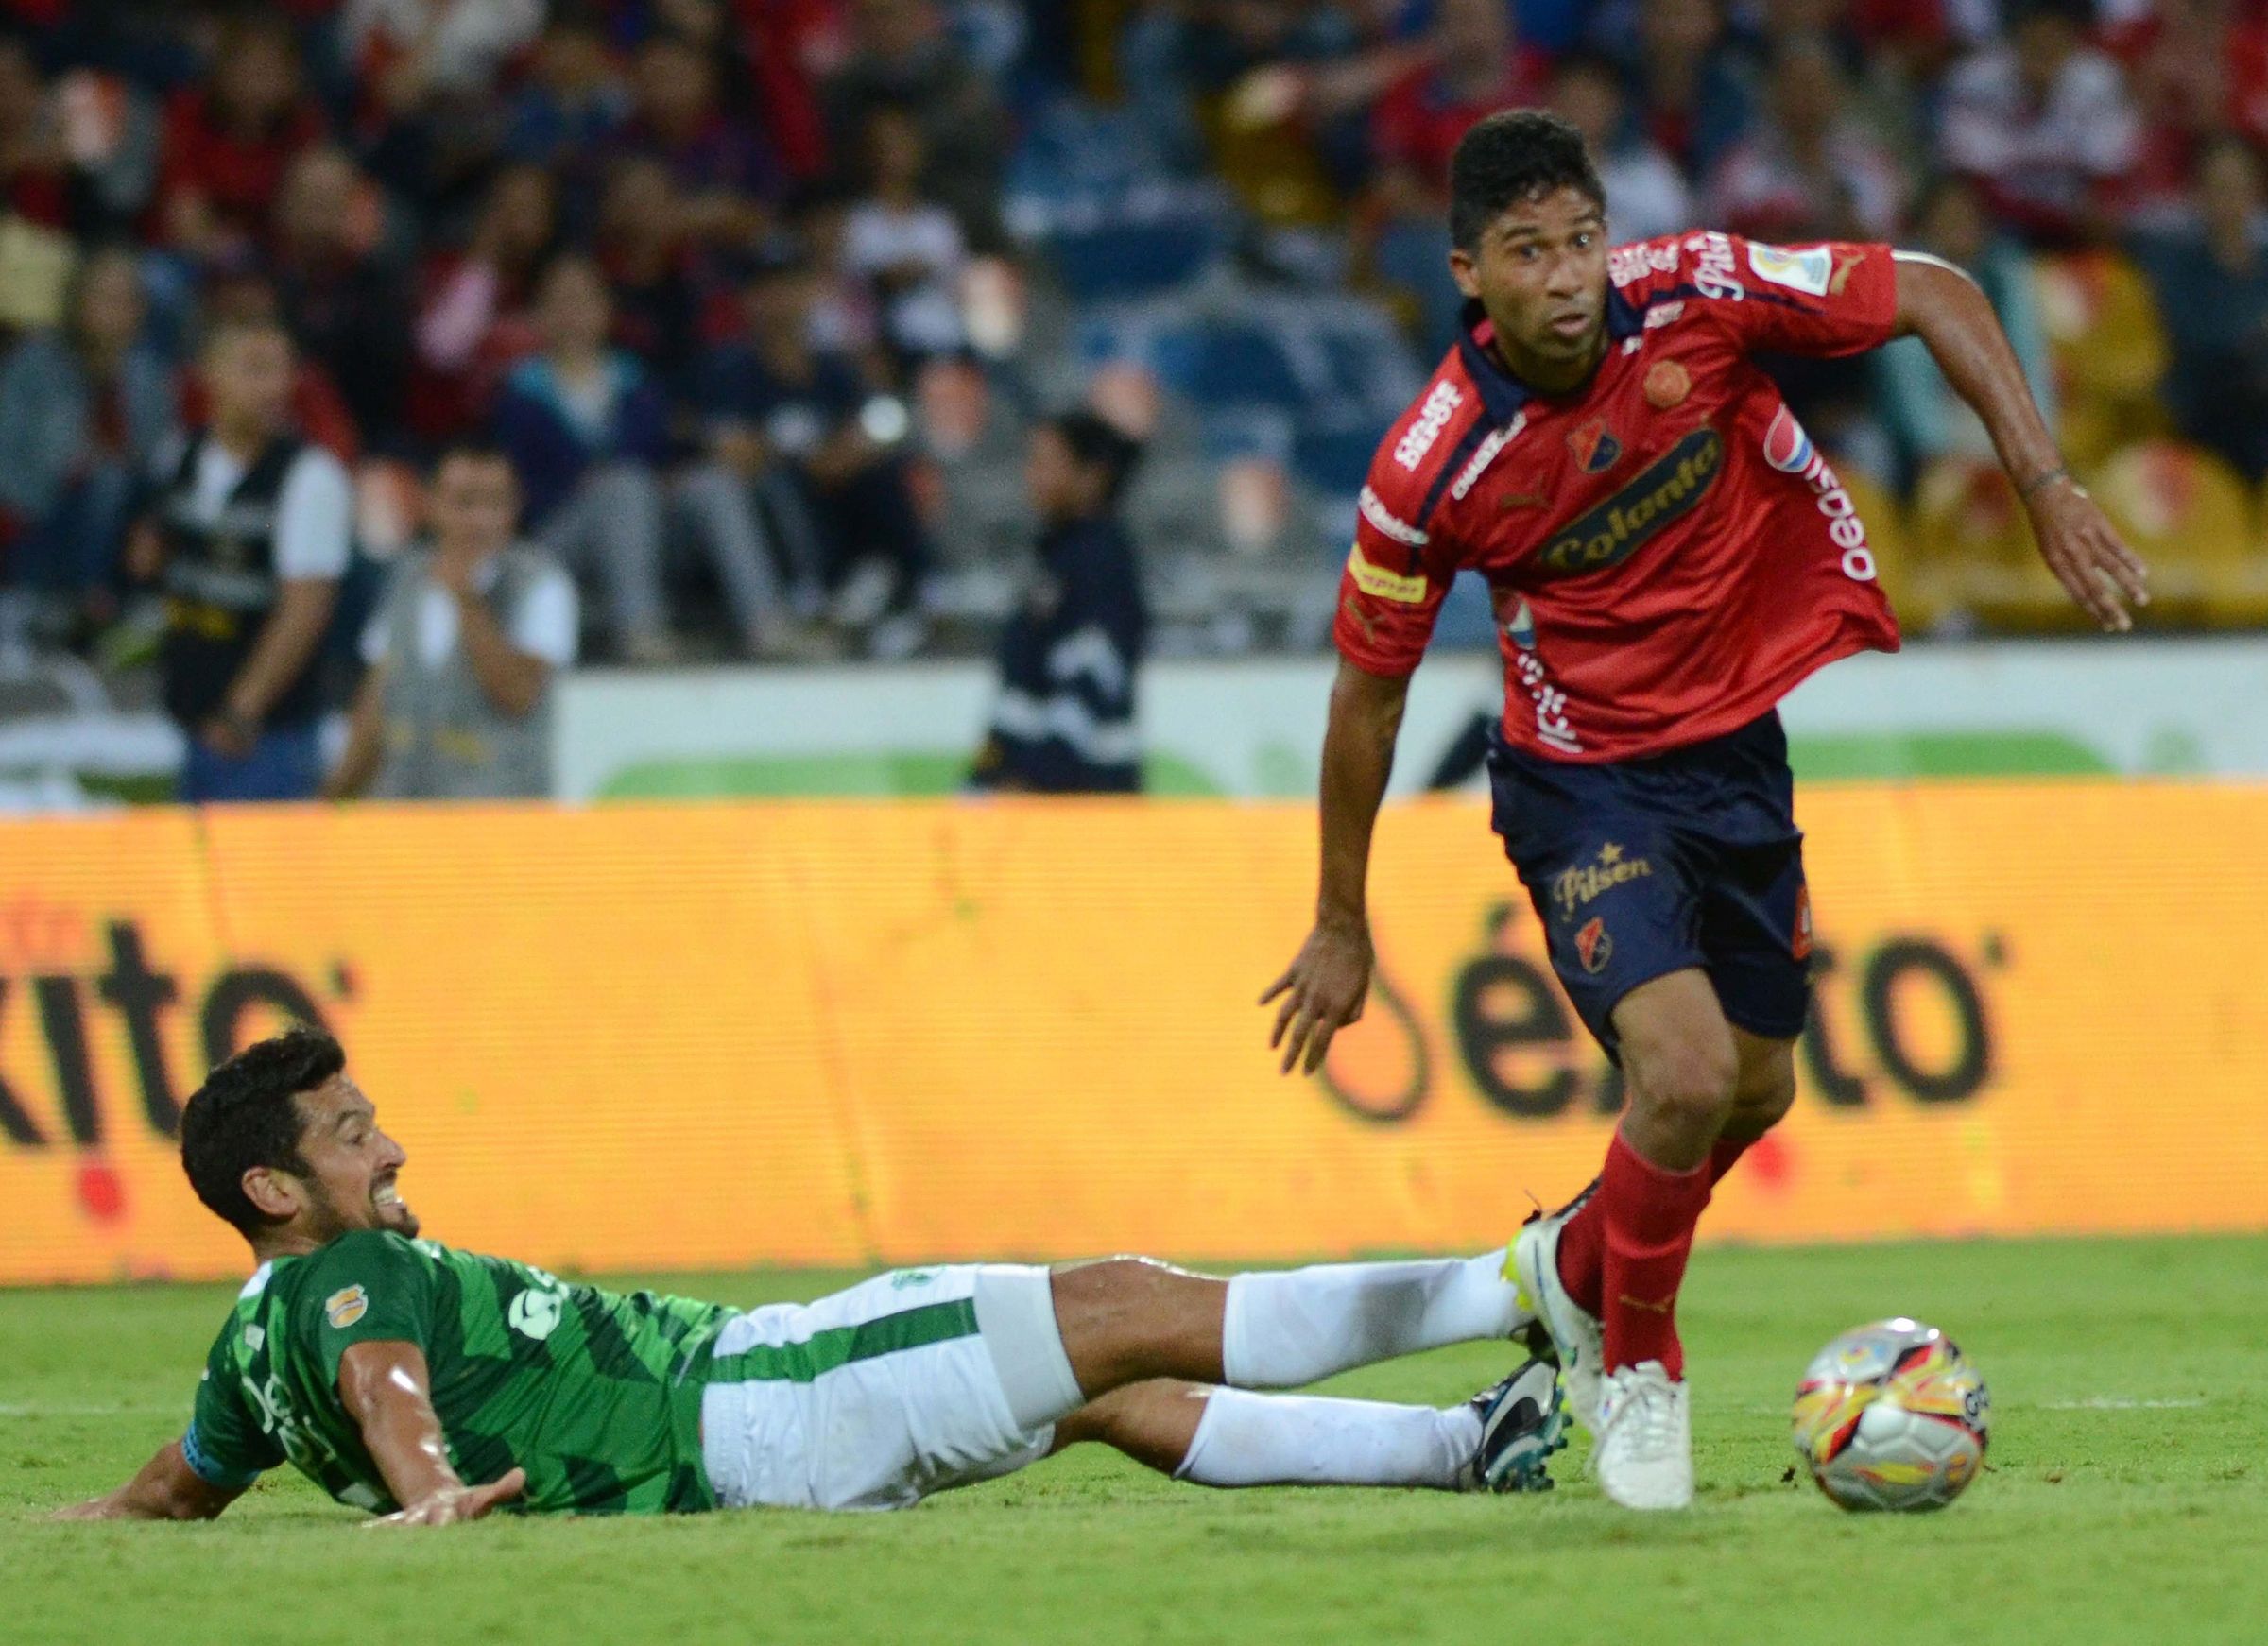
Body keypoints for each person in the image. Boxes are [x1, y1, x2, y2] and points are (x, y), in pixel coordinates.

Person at [1261, 111, 2147, 1512]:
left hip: (1737, 754)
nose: (1565, 276)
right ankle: (1640, 1361)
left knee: (1756, 1086)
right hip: (1581, 778)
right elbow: (1365, 700)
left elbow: (1938, 288)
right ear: (1466, 275)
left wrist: (2041, 484)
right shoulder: (1428, 469)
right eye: (1525, 252)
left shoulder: (1697, 291)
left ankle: (1567, 1272)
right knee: (1676, 1074)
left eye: (1579, 240)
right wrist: (1338, 921)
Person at [58, 1029, 1564, 1523]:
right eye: (348, 1133)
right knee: (1118, 1297)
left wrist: (80, 1522)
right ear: (275, 1190)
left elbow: (183, 1483)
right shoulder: (356, 1279)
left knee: (1106, 1387)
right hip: (763, 1389)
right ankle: (1515, 1284)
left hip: (753, 1461)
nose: (387, 1148)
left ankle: (1456, 1446)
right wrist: (432, 1482)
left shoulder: (248, 1345)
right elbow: (388, 1390)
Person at [134, 317, 352, 804]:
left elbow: (306, 609)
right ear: (209, 374)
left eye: (281, 370)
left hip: (265, 736)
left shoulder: (310, 477)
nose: (274, 387)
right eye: (254, 369)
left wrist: (241, 712)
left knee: (266, 877)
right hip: (192, 717)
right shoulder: (179, 457)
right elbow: (153, 559)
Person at [326, 444, 575, 801]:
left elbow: (519, 696)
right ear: (431, 503)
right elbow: (378, 695)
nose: (480, 520)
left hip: (499, 822)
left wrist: (466, 597)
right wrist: (331, 795)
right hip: (405, 811)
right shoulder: (408, 576)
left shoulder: (542, 583)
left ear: (516, 507)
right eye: (465, 502)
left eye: (496, 503)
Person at [490, 254, 674, 664]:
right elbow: (516, 487)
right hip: (557, 538)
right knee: (622, 486)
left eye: (584, 301)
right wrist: (581, 488)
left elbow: (659, 459)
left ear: (606, 310)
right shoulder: (520, 393)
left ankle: (767, 620)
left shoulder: (636, 381)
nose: (572, 315)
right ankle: (640, 628)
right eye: (560, 301)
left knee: (697, 486)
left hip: (639, 526)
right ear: (538, 314)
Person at [971, 413, 1148, 795]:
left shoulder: (1101, 561)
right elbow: (1022, 690)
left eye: (1045, 463)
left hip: (1083, 798)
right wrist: (983, 782)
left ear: (1091, 477)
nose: (1031, 476)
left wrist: (1036, 780)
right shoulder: (1057, 556)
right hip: (1037, 787)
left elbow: (1095, 674)